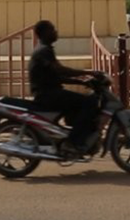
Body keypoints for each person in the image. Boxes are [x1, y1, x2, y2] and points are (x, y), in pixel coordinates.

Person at [29, 20, 104, 156]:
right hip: (48, 94)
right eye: (52, 30)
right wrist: (90, 73)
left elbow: (55, 76)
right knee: (89, 102)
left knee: (78, 104)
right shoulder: (43, 51)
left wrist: (80, 82)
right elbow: (61, 70)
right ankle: (73, 142)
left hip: (50, 92)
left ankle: (73, 135)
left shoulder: (44, 49)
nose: (55, 32)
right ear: (44, 33)